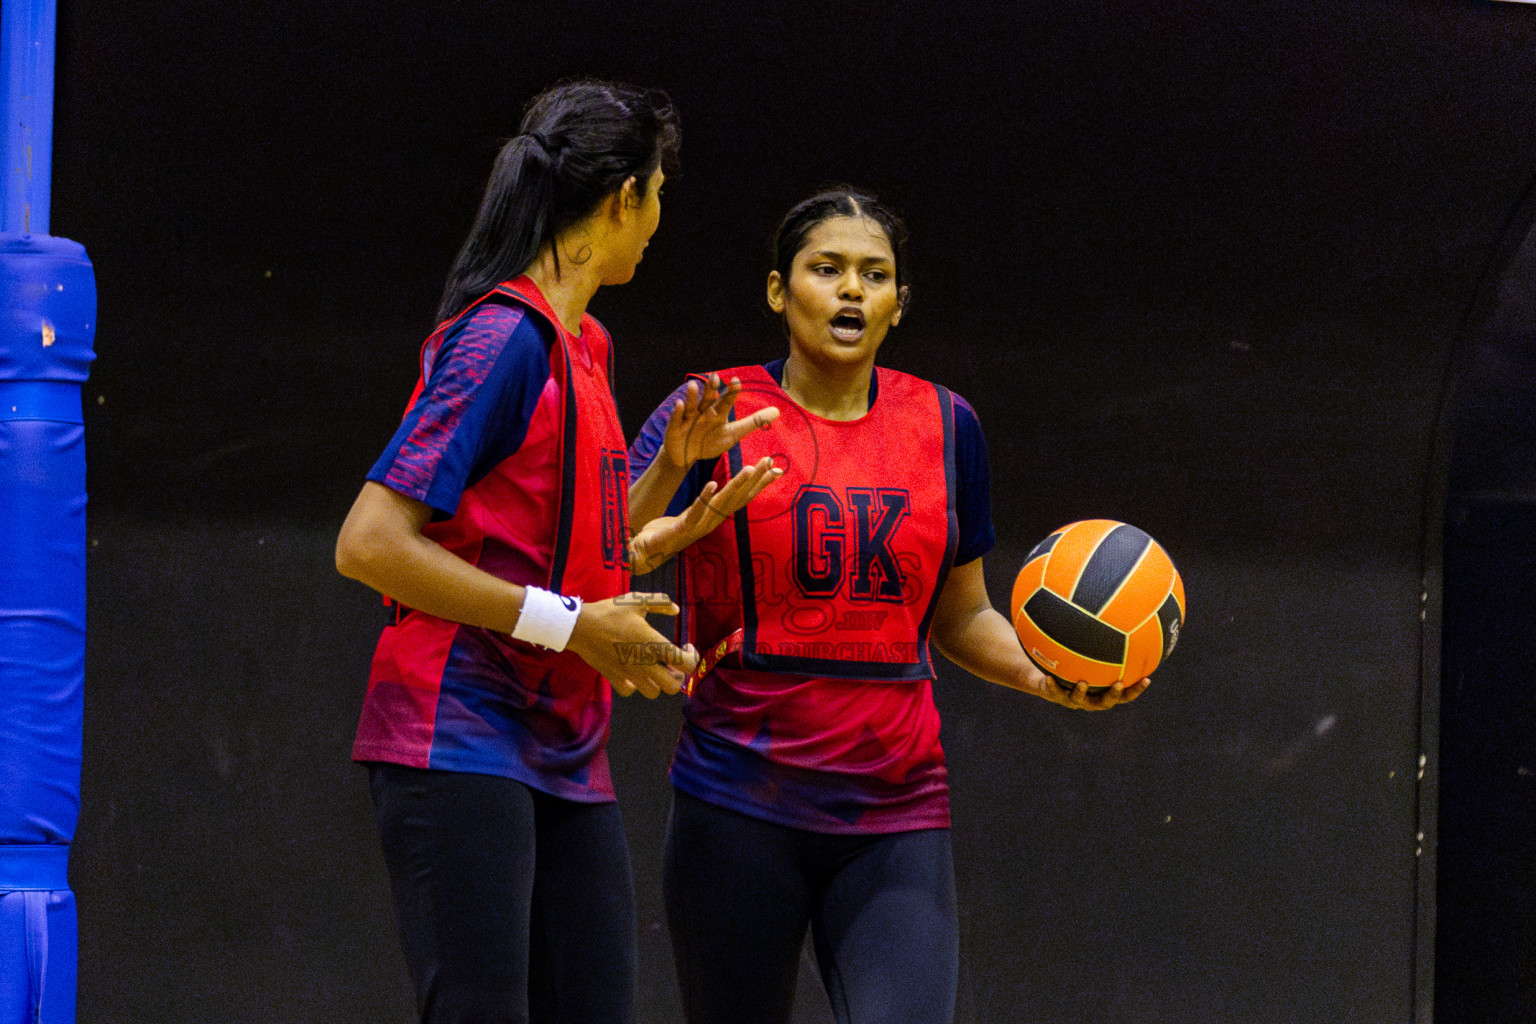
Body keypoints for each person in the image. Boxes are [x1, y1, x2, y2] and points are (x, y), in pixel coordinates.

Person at [626, 188, 1148, 1024]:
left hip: (893, 808)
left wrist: (1045, 675)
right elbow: (605, 550)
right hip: (736, 801)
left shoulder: (948, 426)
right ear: (776, 290)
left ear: (898, 305)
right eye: (826, 269)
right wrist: (661, 479)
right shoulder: (713, 410)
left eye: (875, 276)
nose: (850, 291)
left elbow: (961, 615)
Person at [334, 79, 778, 1024]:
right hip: (459, 727)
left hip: (563, 745)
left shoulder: (588, 343)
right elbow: (371, 543)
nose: (659, 223)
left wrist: (664, 502)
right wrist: (574, 627)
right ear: (625, 197)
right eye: (659, 196)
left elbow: (559, 539)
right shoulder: (502, 337)